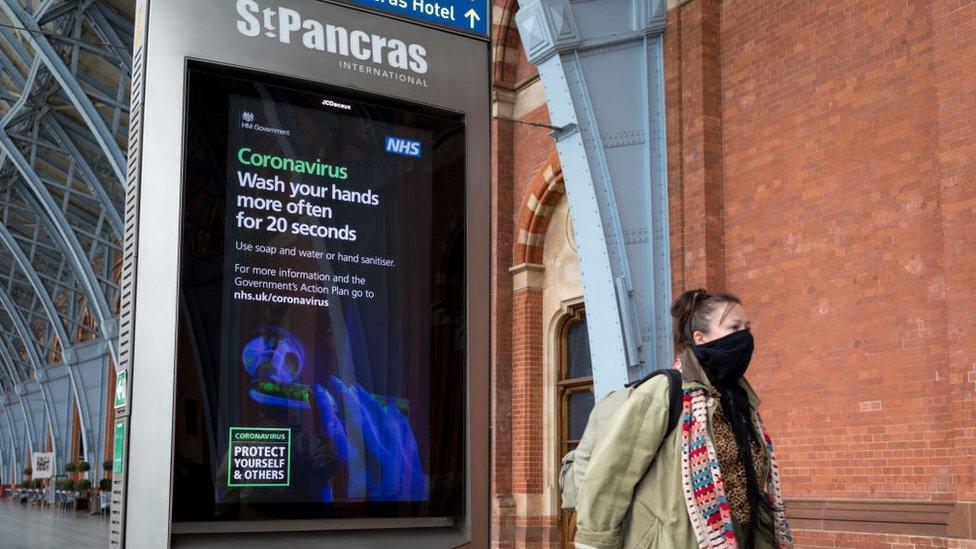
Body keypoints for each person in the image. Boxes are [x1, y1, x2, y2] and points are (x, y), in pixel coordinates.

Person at [574, 289, 794, 549]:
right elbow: (613, 472)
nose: (745, 336)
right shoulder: (665, 391)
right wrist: (595, 542)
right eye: (734, 327)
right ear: (700, 338)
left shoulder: (740, 401)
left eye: (747, 327)